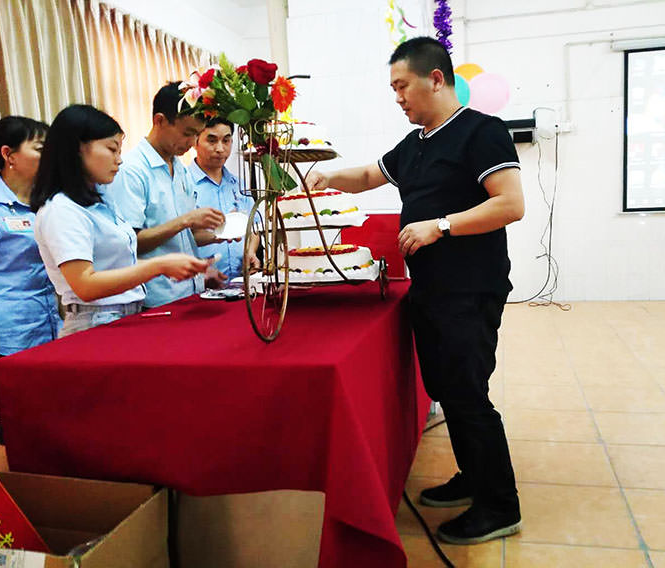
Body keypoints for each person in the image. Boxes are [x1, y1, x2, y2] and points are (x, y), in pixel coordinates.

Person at [306, 37, 525, 545]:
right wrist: (324, 175)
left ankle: (500, 505)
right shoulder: (417, 143)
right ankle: (473, 476)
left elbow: (510, 204)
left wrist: (440, 226)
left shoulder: (481, 132)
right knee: (447, 389)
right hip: (431, 288)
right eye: (393, 89)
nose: (398, 97)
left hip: (470, 288)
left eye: (402, 86)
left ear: (436, 79)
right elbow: (369, 174)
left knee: (468, 393)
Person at [31, 104, 210, 336]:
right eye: (111, 149)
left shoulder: (101, 200)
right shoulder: (61, 209)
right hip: (95, 321)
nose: (119, 160)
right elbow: (85, 285)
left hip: (125, 314)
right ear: (77, 149)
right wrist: (159, 266)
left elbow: (119, 263)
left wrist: (172, 264)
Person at [0, 116, 62, 471]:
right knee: (10, 417)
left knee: (41, 415)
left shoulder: (44, 202)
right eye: (40, 148)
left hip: (45, 325)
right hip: (3, 332)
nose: (50, 155)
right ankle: (7, 497)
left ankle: (41, 488)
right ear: (9, 155)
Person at [105, 82, 227, 307]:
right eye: (187, 134)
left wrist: (220, 234)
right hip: (154, 300)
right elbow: (130, 244)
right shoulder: (132, 170)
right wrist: (186, 220)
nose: (192, 143)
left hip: (189, 293)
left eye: (196, 134)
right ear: (159, 120)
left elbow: (184, 237)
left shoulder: (179, 168)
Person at [191, 117, 259, 279]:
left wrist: (250, 252)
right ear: (194, 141)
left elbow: (254, 227)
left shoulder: (239, 185)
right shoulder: (184, 183)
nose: (220, 149)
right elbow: (179, 237)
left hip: (241, 282)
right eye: (212, 140)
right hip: (200, 283)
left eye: (226, 141)